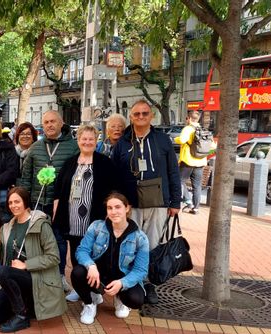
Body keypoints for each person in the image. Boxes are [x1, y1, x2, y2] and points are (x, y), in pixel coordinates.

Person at [111, 99, 181, 304]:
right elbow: (115, 175)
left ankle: (147, 283)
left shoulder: (163, 140)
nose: (141, 117)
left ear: (151, 116)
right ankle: (130, 282)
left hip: (158, 201)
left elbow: (173, 172)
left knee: (151, 245)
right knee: (130, 244)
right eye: (136, 114)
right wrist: (117, 204)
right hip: (130, 203)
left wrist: (175, 202)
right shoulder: (123, 143)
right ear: (131, 117)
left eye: (144, 113)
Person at [0, 187, 66, 333]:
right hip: (15, 280)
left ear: (25, 202)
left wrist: (26, 264)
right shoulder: (7, 227)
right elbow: (6, 261)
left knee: (3, 272)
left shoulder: (40, 224)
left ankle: (21, 316)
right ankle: (26, 305)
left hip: (37, 279)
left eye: (17, 201)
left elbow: (53, 257)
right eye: (10, 202)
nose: (13, 205)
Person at [53, 124, 118, 302]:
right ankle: (80, 288)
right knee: (75, 256)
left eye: (91, 139)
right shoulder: (70, 162)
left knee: (95, 256)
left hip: (95, 219)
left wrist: (109, 213)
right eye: (84, 139)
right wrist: (56, 212)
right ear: (78, 140)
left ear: (96, 140)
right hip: (73, 219)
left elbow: (114, 191)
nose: (87, 142)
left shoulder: (104, 163)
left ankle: (95, 291)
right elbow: (59, 190)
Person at [18, 110, 78, 291]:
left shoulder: (73, 147)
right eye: (46, 122)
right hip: (38, 201)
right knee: (38, 240)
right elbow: (26, 176)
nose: (50, 125)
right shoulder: (36, 147)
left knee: (59, 241)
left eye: (53, 121)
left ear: (61, 123)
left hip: (61, 204)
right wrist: (26, 203)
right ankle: (39, 275)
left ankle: (59, 276)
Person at [72, 192, 149, 324]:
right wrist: (90, 265)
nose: (113, 212)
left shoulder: (140, 238)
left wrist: (122, 283)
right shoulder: (96, 227)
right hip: (97, 277)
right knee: (77, 272)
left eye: (118, 207)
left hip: (121, 278)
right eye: (110, 208)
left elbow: (141, 270)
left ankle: (119, 297)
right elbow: (82, 250)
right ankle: (90, 303)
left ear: (127, 208)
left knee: (136, 299)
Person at [174, 110, 207, 215]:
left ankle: (188, 202)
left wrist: (175, 139)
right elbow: (212, 146)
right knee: (197, 186)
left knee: (179, 181)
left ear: (188, 119)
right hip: (200, 162)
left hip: (188, 161)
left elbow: (182, 140)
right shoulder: (202, 129)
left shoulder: (188, 129)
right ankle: (196, 208)